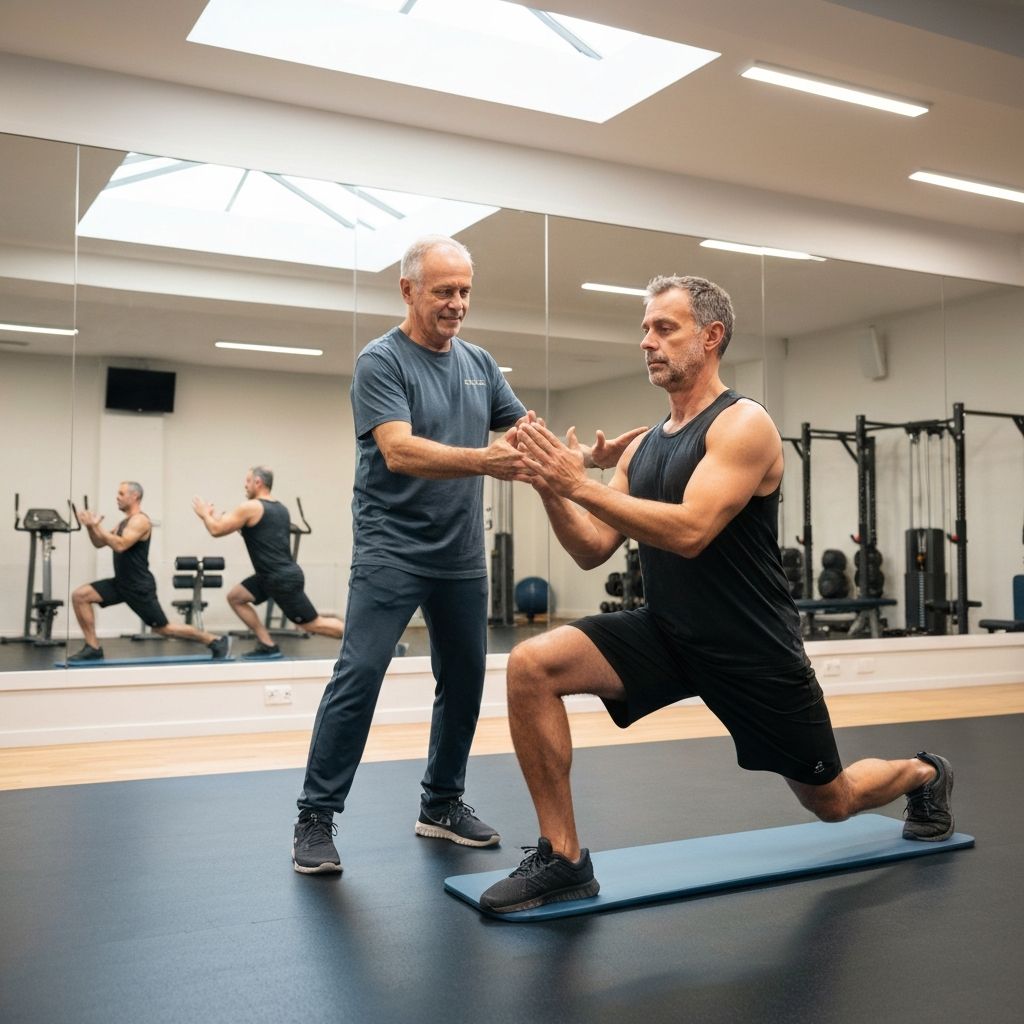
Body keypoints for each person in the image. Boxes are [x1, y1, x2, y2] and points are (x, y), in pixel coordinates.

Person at [479, 274, 955, 913]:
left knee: (832, 800)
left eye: (665, 328)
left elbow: (693, 532)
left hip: (752, 647)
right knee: (532, 664)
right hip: (669, 632)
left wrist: (576, 483)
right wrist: (548, 482)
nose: (648, 341)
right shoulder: (644, 447)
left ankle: (926, 774)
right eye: (645, 329)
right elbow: (592, 547)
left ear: (711, 336)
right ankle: (563, 857)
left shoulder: (745, 425)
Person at [290, 234, 642, 875]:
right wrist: (485, 461)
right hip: (391, 549)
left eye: (464, 292)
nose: (456, 304)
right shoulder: (382, 361)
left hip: (459, 555)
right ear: (408, 290)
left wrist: (585, 459)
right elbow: (399, 450)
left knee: (464, 682)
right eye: (443, 291)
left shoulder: (479, 362)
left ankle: (442, 803)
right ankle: (316, 816)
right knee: (360, 675)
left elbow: (524, 436)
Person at [69, 481, 230, 662]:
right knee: (80, 596)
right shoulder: (124, 522)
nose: (117, 497)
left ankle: (215, 640)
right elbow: (100, 543)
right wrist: (91, 527)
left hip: (139, 586)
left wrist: (97, 527)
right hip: (121, 583)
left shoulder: (141, 521)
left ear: (134, 496)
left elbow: (120, 545)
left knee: (163, 629)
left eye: (121, 494)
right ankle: (93, 648)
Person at [192, 467, 344, 658]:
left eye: (247, 481)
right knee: (236, 597)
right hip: (268, 576)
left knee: (311, 623)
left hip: (280, 578)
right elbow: (248, 531)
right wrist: (217, 519)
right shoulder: (280, 509)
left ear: (258, 482)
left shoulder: (251, 507)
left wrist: (204, 514)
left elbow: (216, 530)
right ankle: (267, 644)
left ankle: (364, 639)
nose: (244, 485)